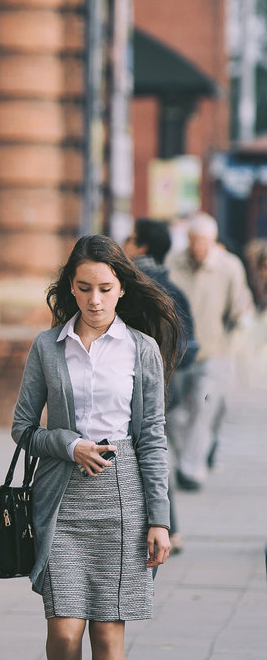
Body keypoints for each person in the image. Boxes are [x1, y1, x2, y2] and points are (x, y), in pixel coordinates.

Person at [11, 234, 179, 660]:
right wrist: (68, 444)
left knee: (108, 631)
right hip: (61, 497)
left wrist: (161, 517)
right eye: (84, 288)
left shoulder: (141, 350)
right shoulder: (47, 347)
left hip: (125, 497)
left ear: (121, 288)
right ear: (71, 289)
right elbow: (23, 429)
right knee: (64, 630)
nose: (95, 300)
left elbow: (152, 437)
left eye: (106, 288)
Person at [123, 218, 199, 551]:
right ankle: (172, 528)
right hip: (167, 387)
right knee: (156, 454)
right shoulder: (175, 289)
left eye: (130, 238)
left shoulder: (129, 288)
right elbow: (191, 346)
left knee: (142, 456)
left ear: (141, 247)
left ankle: (159, 525)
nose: (125, 243)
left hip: (127, 387)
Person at [167, 212, 254, 490]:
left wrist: (241, 318)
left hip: (215, 352)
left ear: (213, 241)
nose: (198, 248)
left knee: (204, 409)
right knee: (171, 415)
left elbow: (240, 304)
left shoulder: (229, 266)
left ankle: (192, 470)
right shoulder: (173, 263)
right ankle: (187, 458)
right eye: (194, 241)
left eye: (204, 242)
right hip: (178, 354)